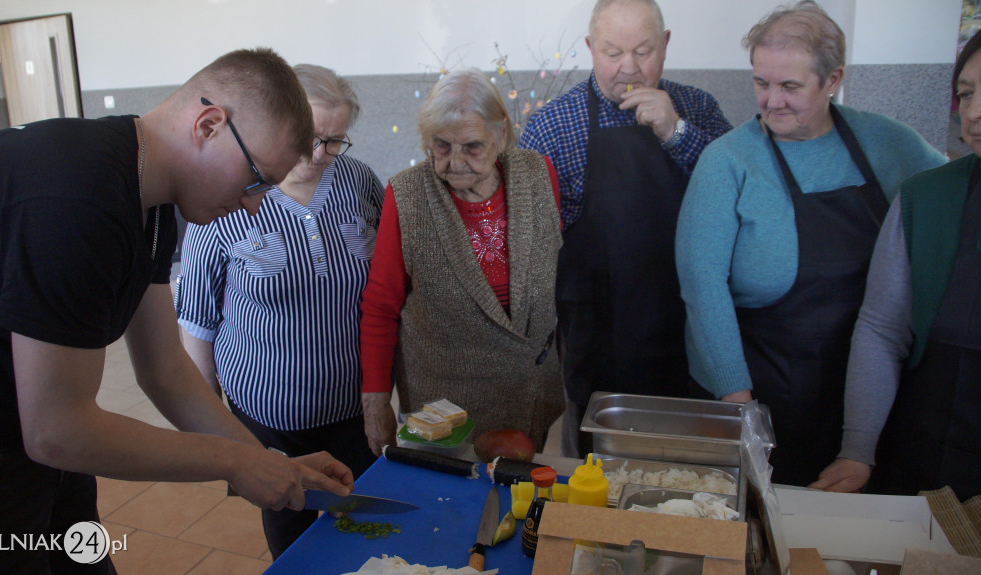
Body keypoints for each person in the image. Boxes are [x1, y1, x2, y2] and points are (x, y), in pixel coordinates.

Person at [0, 48, 353, 574]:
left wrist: (266, 461)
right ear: (209, 126)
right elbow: (57, 429)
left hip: (30, 448)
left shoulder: (152, 194)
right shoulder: (76, 198)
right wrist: (234, 461)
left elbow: (165, 370)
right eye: (257, 179)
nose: (255, 204)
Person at [676, 1, 947, 487]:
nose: (772, 100)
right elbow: (702, 284)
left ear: (832, 79)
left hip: (866, 389)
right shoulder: (728, 161)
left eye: (790, 86)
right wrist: (739, 409)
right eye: (761, 83)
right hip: (759, 390)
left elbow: (955, 194)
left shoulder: (888, 143)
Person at [176, 63, 383, 558]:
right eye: (309, 138)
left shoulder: (359, 182)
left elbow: (388, 284)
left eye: (335, 140)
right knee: (295, 544)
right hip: (269, 419)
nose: (319, 154)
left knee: (363, 534)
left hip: (354, 409)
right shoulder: (230, 191)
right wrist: (216, 436)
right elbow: (197, 321)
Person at [518, 0, 732, 458]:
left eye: (643, 51)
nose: (628, 67)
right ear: (590, 47)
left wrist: (676, 132)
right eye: (613, 53)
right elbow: (527, 244)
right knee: (600, 480)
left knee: (689, 475)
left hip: (694, 338)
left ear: (666, 44)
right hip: (599, 346)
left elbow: (740, 201)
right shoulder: (552, 127)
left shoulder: (698, 109)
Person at [812, 31, 981, 499]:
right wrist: (857, 449)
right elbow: (882, 329)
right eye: (967, 94)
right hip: (923, 445)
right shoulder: (927, 196)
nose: (974, 112)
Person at [360, 69, 564, 456]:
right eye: (441, 145)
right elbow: (380, 306)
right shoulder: (407, 195)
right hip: (445, 413)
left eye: (472, 146)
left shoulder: (539, 175)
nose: (455, 161)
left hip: (529, 393)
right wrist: (376, 403)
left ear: (500, 135)